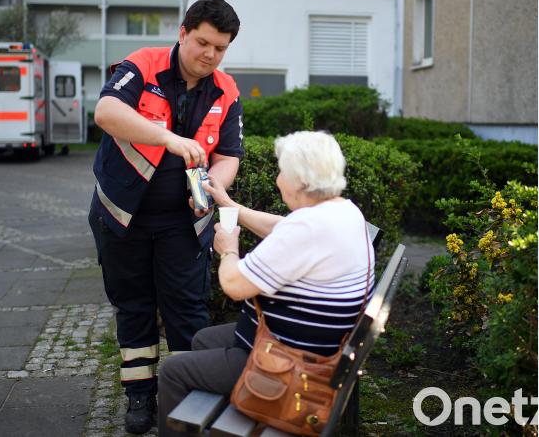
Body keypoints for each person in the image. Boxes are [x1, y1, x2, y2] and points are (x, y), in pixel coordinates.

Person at [88, 0, 243, 435]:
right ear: (183, 32)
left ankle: (191, 397)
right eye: (203, 43)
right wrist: (169, 139)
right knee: (133, 306)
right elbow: (106, 112)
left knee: (186, 310)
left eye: (220, 48)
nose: (210, 54)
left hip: (183, 222)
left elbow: (228, 155)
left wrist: (213, 186)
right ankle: (140, 396)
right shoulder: (143, 65)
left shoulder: (227, 90)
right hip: (123, 217)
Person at [157, 131, 377, 437]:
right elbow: (281, 227)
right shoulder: (342, 211)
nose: (277, 180)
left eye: (282, 172)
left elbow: (234, 284)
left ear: (301, 182)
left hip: (287, 361)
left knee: (171, 372)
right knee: (204, 340)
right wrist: (228, 203)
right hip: (310, 344)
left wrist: (228, 249)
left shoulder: (307, 229)